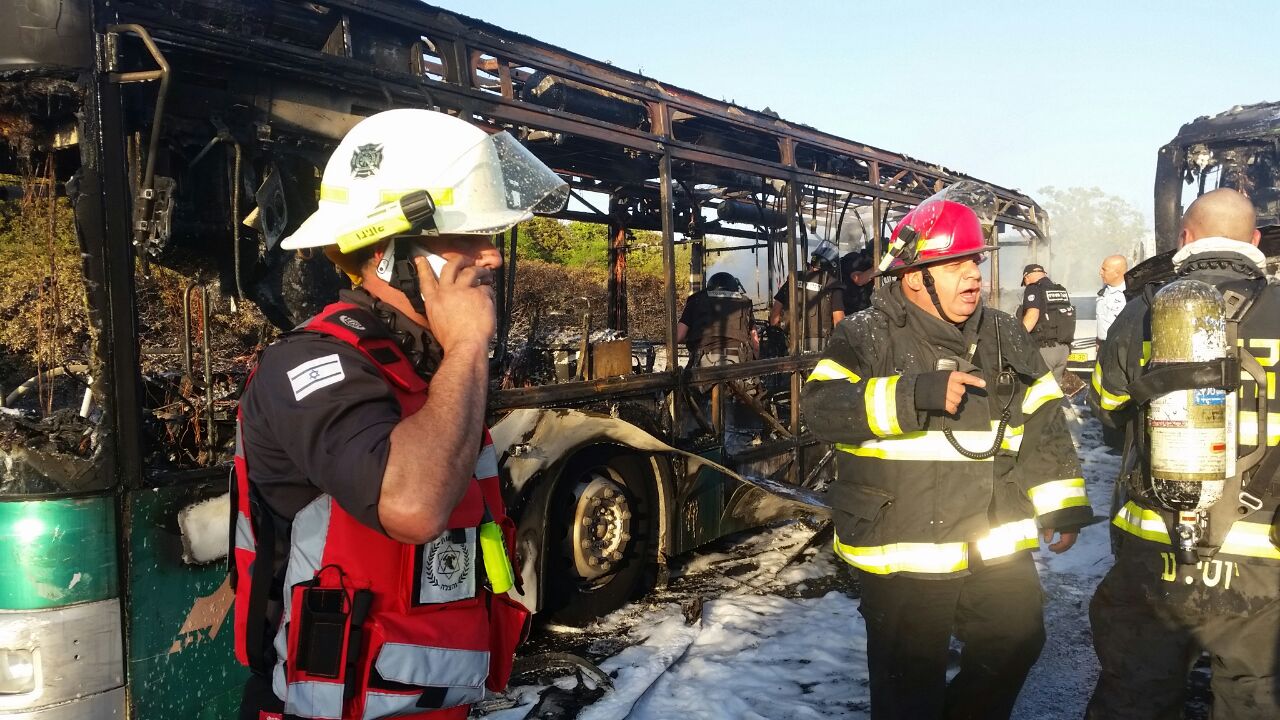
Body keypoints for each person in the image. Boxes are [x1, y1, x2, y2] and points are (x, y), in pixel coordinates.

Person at [231, 109, 567, 720]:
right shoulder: (309, 365)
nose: (490, 255)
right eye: (464, 235)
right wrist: (468, 347)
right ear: (389, 253)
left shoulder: (419, 368)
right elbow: (411, 506)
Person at [801, 188, 1091, 720]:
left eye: (975, 261)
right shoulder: (865, 334)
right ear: (915, 276)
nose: (974, 275)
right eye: (955, 263)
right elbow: (820, 408)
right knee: (908, 687)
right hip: (905, 544)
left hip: (992, 535)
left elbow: (1044, 416)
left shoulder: (1003, 333)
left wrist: (1063, 500)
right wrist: (913, 394)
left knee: (1017, 639)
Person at [1088, 188, 1280, 719]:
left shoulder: (1142, 312)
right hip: (1265, 554)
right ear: (1256, 241)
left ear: (1185, 239)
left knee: (1135, 695)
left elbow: (1107, 408)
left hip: (1157, 544)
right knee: (1255, 699)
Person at [769, 241, 845, 350]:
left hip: (791, 342)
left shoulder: (793, 279)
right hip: (820, 345)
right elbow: (839, 322)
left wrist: (778, 336)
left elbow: (775, 314)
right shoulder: (832, 284)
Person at [677, 271, 757, 365]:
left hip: (705, 360)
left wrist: (692, 336)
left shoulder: (696, 301)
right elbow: (755, 340)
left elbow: (678, 336)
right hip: (739, 359)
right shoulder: (744, 303)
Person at [1018, 263, 1076, 385]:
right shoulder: (1060, 289)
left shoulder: (1033, 288)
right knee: (1054, 390)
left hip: (1045, 349)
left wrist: (1018, 336)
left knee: (1039, 390)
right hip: (1063, 349)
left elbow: (1032, 315)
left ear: (1026, 277)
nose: (1026, 285)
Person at [1095, 254, 1128, 343]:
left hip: (1119, 346)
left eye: (1104, 270)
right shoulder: (1103, 292)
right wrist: (1098, 342)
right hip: (1103, 346)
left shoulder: (1129, 295)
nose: (1100, 273)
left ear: (1117, 273)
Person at [841, 247, 876, 315]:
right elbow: (859, 280)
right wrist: (880, 266)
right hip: (851, 310)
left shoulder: (870, 264)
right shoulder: (853, 258)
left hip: (866, 308)